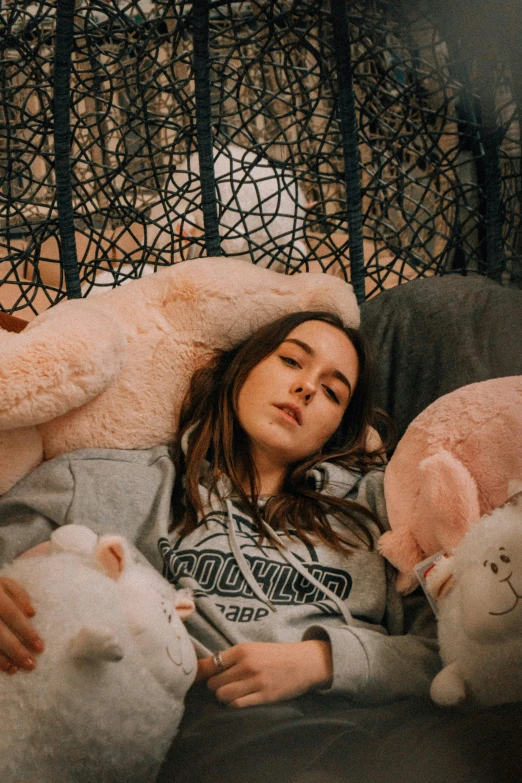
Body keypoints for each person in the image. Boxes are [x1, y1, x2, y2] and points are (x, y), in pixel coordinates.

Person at [1, 309, 519, 783]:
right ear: (241, 368)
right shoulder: (116, 481)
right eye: (292, 360)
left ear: (338, 427)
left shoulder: (374, 508)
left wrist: (323, 660)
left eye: (334, 392)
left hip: (390, 725)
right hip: (224, 737)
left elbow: (457, 648)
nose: (306, 388)